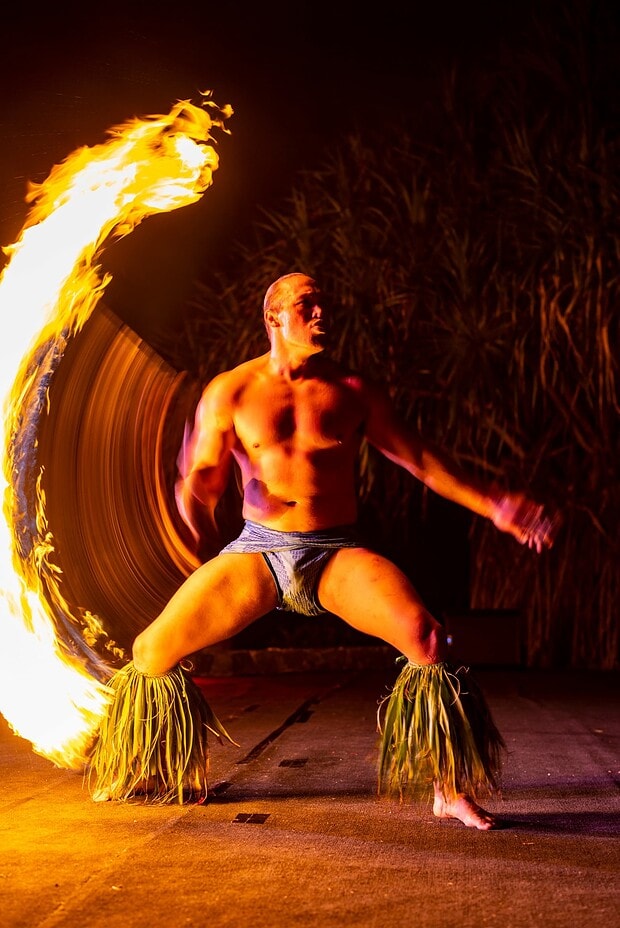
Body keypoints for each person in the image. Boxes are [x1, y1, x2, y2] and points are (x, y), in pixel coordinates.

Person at [89, 272, 558, 825]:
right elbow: (204, 480)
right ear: (273, 319)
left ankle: (448, 790)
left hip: (334, 551)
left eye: (324, 306)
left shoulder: (353, 390)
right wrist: (189, 505)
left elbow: (423, 462)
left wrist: (496, 506)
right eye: (307, 306)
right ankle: (159, 767)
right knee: (151, 652)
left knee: (427, 639)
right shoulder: (230, 391)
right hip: (257, 552)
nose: (321, 316)